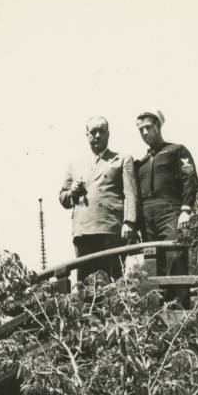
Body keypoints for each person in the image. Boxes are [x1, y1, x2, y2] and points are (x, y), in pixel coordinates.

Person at [59, 116, 138, 283]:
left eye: (101, 131)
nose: (97, 136)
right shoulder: (75, 164)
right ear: (87, 135)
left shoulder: (122, 159)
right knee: (87, 284)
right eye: (93, 132)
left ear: (108, 134)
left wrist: (129, 222)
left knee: (114, 282)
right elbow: (63, 198)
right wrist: (73, 191)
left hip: (110, 229)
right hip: (83, 230)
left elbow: (130, 193)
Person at [135, 109, 198, 306]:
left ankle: (180, 311)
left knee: (175, 259)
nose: (144, 132)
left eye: (148, 127)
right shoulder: (141, 163)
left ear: (158, 126)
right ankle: (157, 313)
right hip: (147, 218)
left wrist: (186, 209)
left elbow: (190, 179)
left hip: (171, 211)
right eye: (140, 129)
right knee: (151, 264)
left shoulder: (176, 150)